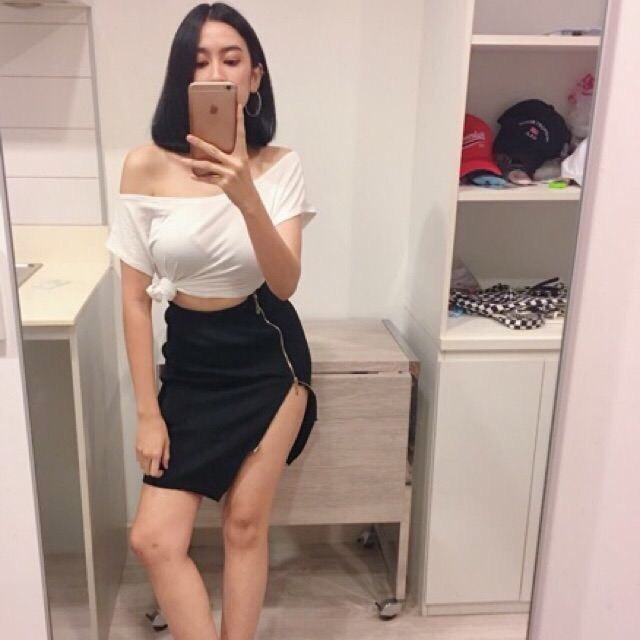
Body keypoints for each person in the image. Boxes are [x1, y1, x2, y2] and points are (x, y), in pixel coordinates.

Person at [104, 3, 319, 638]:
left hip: (266, 353)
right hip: (192, 360)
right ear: (181, 78)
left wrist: (245, 193)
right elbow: (134, 298)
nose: (217, 73)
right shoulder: (144, 165)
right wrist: (148, 412)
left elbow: (284, 282)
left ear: (255, 76)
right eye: (199, 62)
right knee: (153, 539)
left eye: (231, 59)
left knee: (245, 525)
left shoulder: (281, 165)